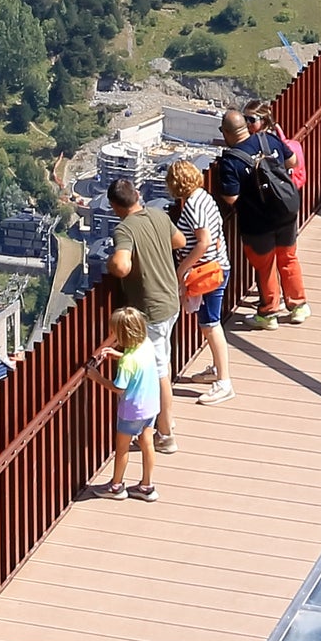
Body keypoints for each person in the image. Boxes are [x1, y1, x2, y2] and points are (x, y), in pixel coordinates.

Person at [104, 175, 182, 455]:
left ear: (114, 206)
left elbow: (122, 267)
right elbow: (180, 240)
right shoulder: (159, 215)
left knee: (160, 371)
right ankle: (165, 420)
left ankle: (166, 433)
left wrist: (112, 262)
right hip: (171, 300)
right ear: (137, 195)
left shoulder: (124, 230)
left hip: (151, 309)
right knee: (164, 364)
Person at [215, 105, 307, 327]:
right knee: (288, 258)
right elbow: (292, 161)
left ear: (225, 132)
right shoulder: (268, 139)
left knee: (265, 266)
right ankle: (299, 306)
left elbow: (230, 198)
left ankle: (269, 313)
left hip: (257, 223)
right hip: (286, 211)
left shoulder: (231, 161)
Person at [164, 158, 235, 399]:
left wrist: (181, 269)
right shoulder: (204, 197)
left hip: (208, 272)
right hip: (215, 266)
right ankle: (217, 368)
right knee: (208, 322)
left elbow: (203, 242)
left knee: (210, 324)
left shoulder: (194, 205)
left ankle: (224, 382)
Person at [104, 305, 161, 501]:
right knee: (148, 444)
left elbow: (119, 387)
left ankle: (116, 486)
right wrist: (119, 355)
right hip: (151, 405)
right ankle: (147, 486)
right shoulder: (146, 344)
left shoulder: (127, 361)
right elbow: (138, 364)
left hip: (131, 411)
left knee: (122, 449)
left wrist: (95, 377)